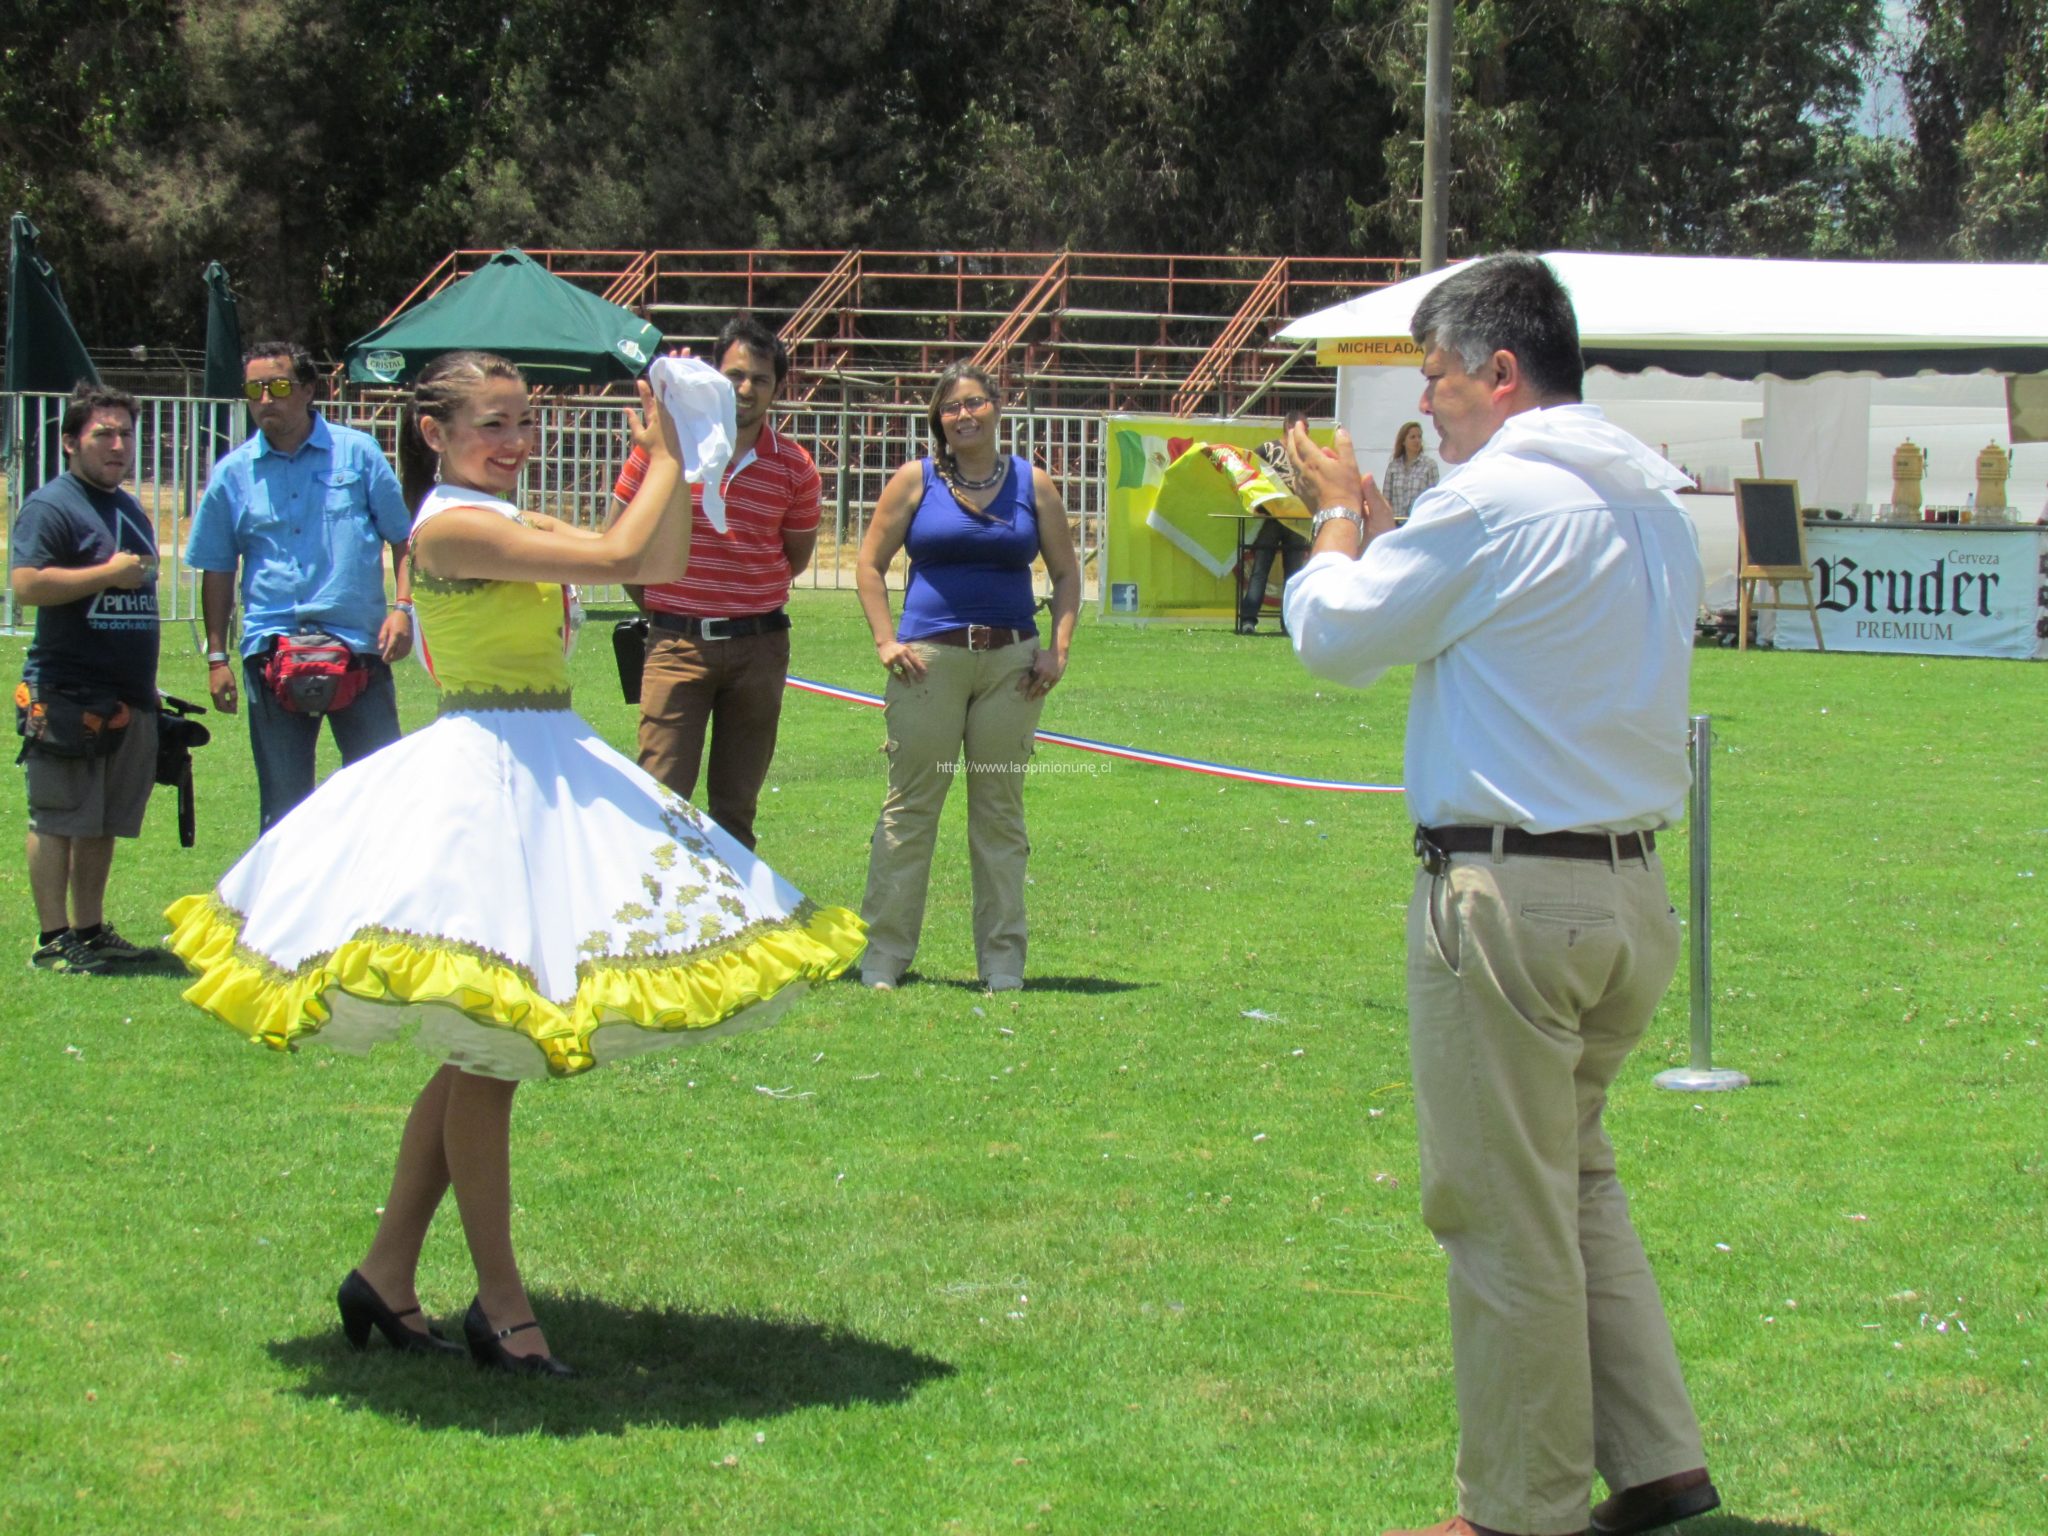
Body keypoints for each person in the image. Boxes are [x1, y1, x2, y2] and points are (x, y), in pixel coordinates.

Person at [166, 352, 865, 1377]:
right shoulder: (451, 527)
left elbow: (655, 557)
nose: (514, 441)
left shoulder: (508, 517)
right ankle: (500, 1305)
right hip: (483, 777)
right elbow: (623, 548)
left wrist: (671, 457)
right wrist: (669, 450)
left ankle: (385, 1274)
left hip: (542, 760)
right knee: (493, 1051)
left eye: (523, 421)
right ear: (434, 434)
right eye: (492, 423)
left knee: (477, 1050)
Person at [1281, 255, 1718, 1536]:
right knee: (1571, 1179)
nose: (1428, 406)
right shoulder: (1647, 498)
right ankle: (1655, 1461)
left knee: (1498, 1208)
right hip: (1625, 895)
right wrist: (1382, 529)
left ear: (1501, 373)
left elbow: (1334, 635)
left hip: (1510, 897)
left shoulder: (1494, 500)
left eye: (1437, 381)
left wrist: (1338, 519)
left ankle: (1517, 1508)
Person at [854, 363, 1079, 993]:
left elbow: (1066, 573)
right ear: (939, 419)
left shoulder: (1033, 484)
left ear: (998, 407)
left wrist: (1057, 651)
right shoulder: (915, 480)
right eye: (951, 407)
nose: (964, 415)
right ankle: (884, 956)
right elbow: (869, 564)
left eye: (975, 402)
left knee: (999, 813)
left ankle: (1003, 963)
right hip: (928, 663)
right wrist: (886, 640)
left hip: (1012, 667)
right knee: (910, 808)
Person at [608, 316, 820, 849]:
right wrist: (669, 605)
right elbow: (619, 539)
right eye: (735, 376)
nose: (745, 389)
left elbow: (793, 558)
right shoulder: (666, 449)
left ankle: (734, 904)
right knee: (660, 800)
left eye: (760, 379)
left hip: (759, 649)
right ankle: (659, 904)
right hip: (676, 644)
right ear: (714, 376)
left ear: (777, 388)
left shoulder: (795, 466)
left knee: (736, 810)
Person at [185, 342, 414, 833]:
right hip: (272, 652)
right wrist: (217, 658)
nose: (266, 399)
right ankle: (285, 886)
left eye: (279, 386)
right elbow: (217, 568)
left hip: (359, 646)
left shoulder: (358, 453)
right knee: (283, 807)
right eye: (254, 390)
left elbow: (403, 538)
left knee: (382, 793)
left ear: (309, 389)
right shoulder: (232, 474)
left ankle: (378, 885)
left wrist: (403, 608)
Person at [11, 384, 161, 974]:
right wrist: (106, 574)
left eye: (125, 433)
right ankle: (53, 939)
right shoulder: (52, 505)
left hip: (127, 695)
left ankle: (90, 930)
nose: (118, 445)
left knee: (102, 821)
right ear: (71, 441)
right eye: (103, 434)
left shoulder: (128, 506)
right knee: (58, 818)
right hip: (67, 692)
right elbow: (26, 585)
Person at [1236, 420, 1312, 635]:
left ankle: (1288, 623)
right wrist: (1258, 502)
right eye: (1303, 428)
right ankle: (1248, 620)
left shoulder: (1307, 454)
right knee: (1260, 570)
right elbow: (1247, 469)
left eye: (1307, 430)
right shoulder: (1268, 449)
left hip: (1297, 521)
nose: (1305, 433)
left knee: (1293, 575)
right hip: (1272, 519)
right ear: (1290, 427)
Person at [1383, 419, 1440, 522]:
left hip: (1419, 522)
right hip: (1396, 523)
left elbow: (1434, 497)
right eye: (1412, 437)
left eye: (1419, 437)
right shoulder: (1393, 466)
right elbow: (1386, 499)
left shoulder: (1429, 465)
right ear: (1403, 441)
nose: (1417, 440)